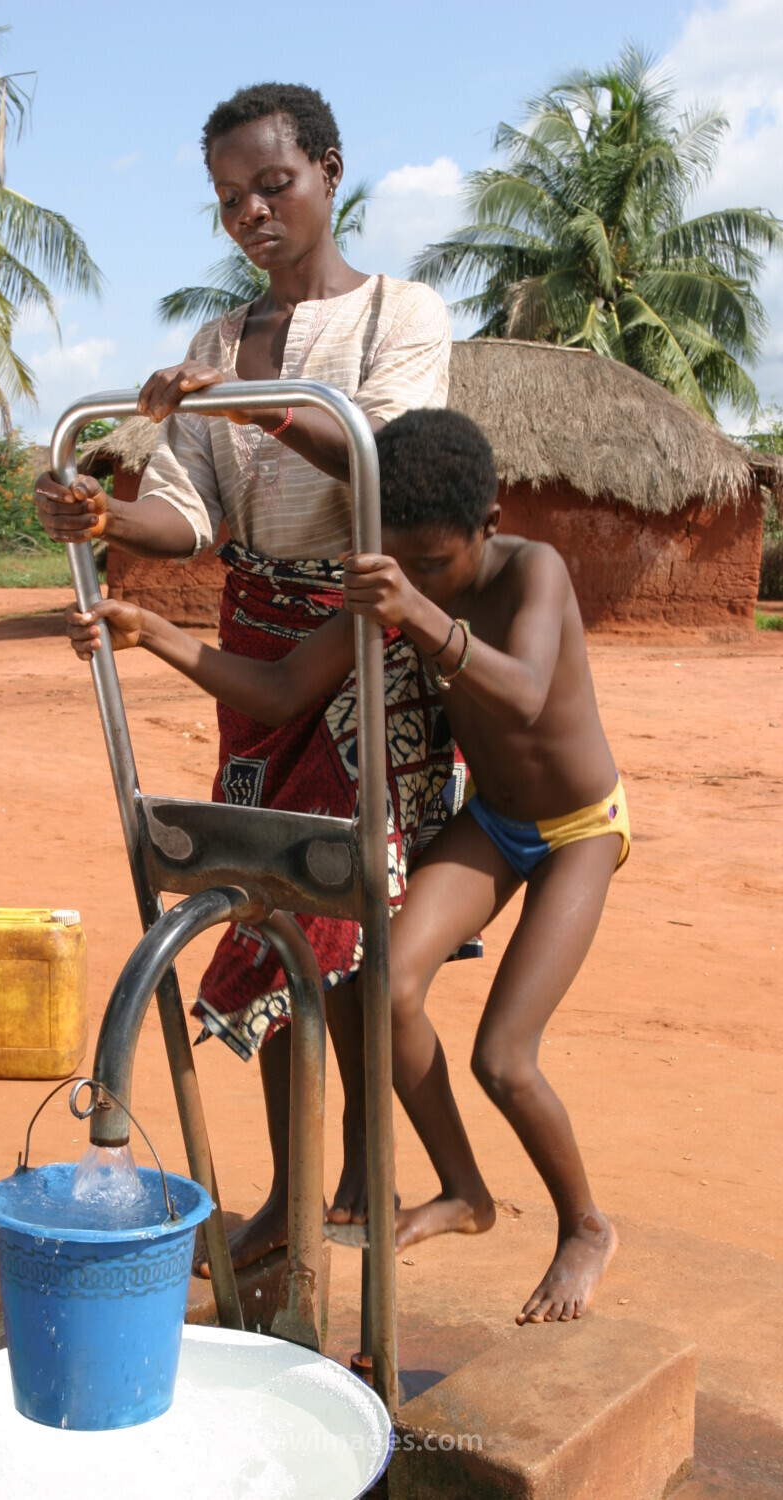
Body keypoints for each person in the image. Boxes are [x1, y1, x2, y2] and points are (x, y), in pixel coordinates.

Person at [67, 407, 628, 1325]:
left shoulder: (535, 570)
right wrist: (155, 633)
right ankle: (465, 1193)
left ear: (489, 523)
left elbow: (525, 695)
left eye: (437, 562)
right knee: (384, 991)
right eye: (399, 559)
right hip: (497, 821)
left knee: (503, 1057)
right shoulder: (398, 589)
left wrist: (418, 614)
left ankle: (585, 1225)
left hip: (577, 829)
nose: (418, 576)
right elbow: (285, 686)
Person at [34, 83, 464, 1272]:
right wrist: (107, 510)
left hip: (366, 643)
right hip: (257, 656)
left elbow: (384, 461)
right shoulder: (220, 346)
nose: (252, 215)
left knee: (346, 931)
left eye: (272, 185)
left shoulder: (399, 316)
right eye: (230, 200)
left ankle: (362, 1195)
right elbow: (187, 517)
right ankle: (298, 1192)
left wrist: (248, 408)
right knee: (277, 923)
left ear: (328, 170)